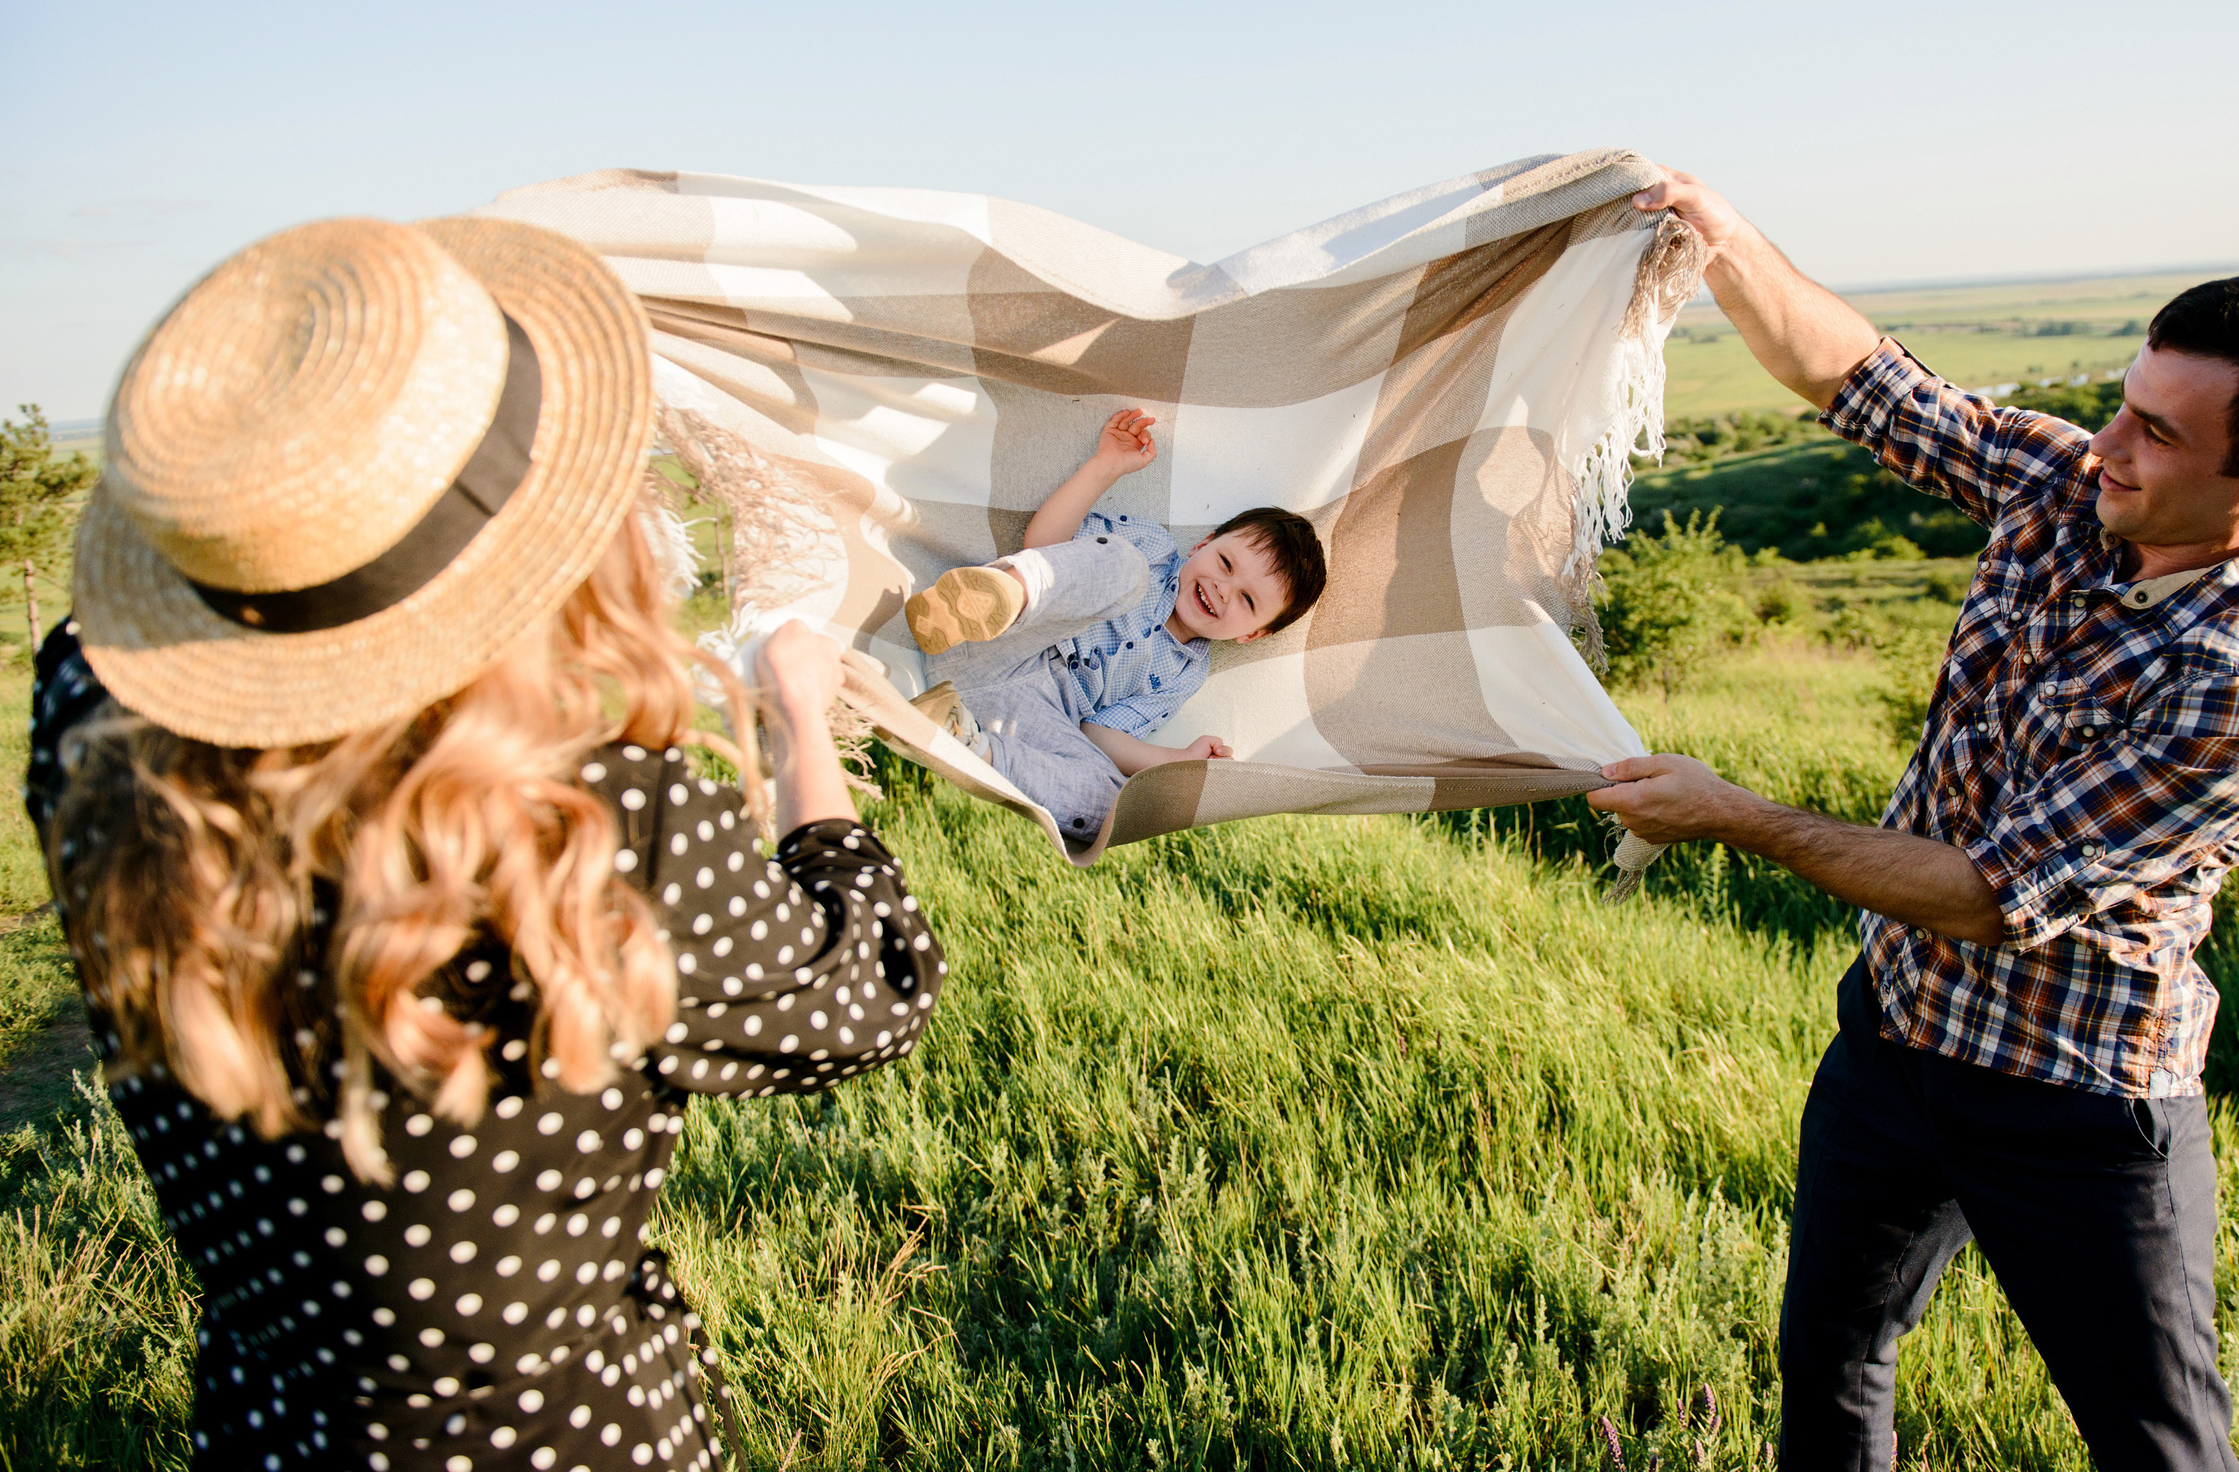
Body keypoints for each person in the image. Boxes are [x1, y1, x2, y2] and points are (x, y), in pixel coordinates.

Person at [23, 214, 944, 1471]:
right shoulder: (594, 816)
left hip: (270, 1422)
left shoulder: (89, 717)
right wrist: (796, 715)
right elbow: (867, 987)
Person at [1589, 171, 2239, 1470]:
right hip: (1898, 1038)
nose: (2110, 446)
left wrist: (1734, 815)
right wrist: (1719, 241)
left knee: (2159, 1440)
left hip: (2072, 1092)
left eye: (2159, 435)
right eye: (2125, 406)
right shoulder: (2070, 488)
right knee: (1831, 1358)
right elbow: (1863, 380)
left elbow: (1985, 891)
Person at [900, 407, 1327, 845]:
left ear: (1252, 633)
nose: (1222, 589)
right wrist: (1105, 466)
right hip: (997, 636)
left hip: (1014, 714)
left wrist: (1176, 760)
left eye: (1247, 600)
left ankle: (964, 745)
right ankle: (995, 596)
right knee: (1125, 567)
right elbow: (1045, 546)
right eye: (1225, 563)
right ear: (1201, 544)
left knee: (1114, 804)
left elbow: (1098, 734)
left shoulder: (1185, 674)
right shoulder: (1153, 549)